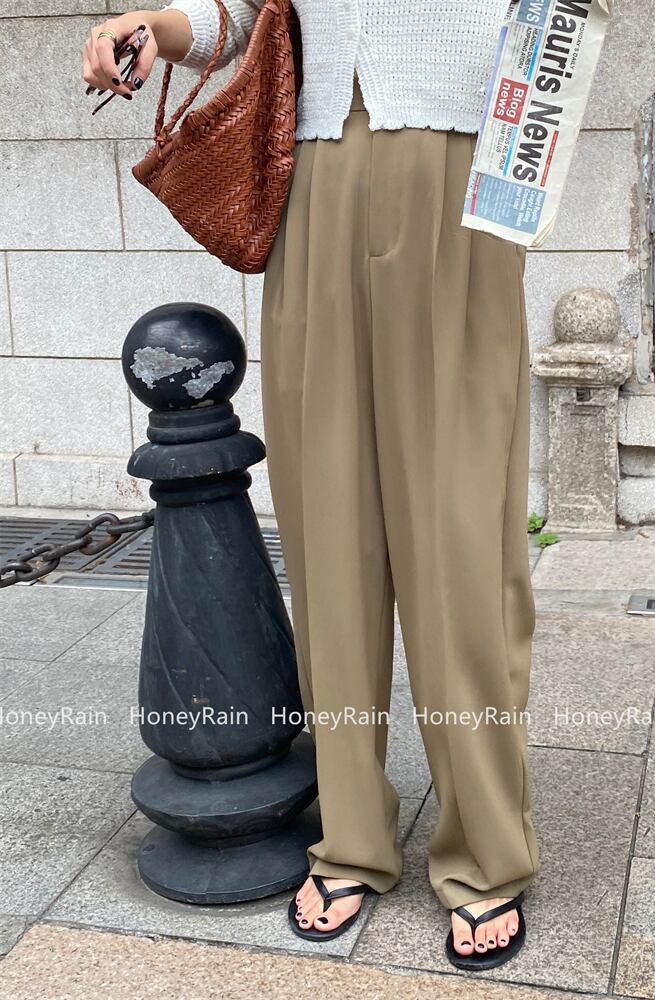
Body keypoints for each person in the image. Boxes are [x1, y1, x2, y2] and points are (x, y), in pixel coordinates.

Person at [82, 0, 539, 971]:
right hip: (315, 175)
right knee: (328, 537)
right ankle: (353, 835)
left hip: (464, 167)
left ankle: (485, 849)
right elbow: (243, 13)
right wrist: (156, 28)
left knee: (459, 543)